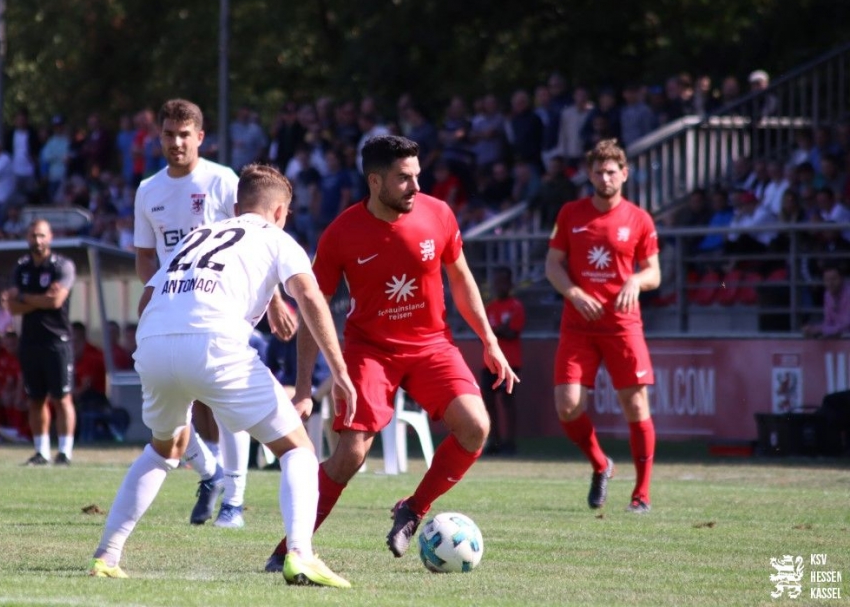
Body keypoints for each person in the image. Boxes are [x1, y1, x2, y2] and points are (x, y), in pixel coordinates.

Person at [89, 164, 357, 587]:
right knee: (297, 449)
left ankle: (107, 554)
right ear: (281, 212)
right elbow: (309, 295)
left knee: (164, 449)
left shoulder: (197, 235)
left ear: (235, 208)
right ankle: (301, 555)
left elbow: (147, 297)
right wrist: (339, 370)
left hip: (154, 341)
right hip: (214, 343)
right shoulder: (277, 238)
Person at [263, 135, 517, 571]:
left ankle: (413, 510)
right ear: (375, 181)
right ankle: (289, 550)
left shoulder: (438, 214)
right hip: (371, 352)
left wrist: (490, 341)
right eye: (404, 178)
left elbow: (461, 279)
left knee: (476, 426)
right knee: (350, 456)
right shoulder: (341, 233)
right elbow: (312, 308)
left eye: (417, 175)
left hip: (432, 346)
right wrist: (304, 388)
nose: (415, 186)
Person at [132, 98, 297, 528]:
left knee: (227, 402)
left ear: (200, 137)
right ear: (159, 137)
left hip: (224, 306)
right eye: (169, 134)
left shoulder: (222, 181)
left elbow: (255, 239)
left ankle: (234, 502)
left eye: (184, 135)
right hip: (174, 304)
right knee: (171, 405)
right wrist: (154, 293)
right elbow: (146, 255)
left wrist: (275, 301)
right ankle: (210, 472)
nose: (176, 142)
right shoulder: (148, 190)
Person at [544, 138, 660, 514]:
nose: (605, 178)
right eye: (598, 172)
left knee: (635, 405)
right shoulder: (571, 213)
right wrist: (574, 292)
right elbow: (552, 265)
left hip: (623, 326)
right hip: (578, 327)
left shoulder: (639, 219)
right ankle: (601, 464)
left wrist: (636, 280)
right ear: (589, 175)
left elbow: (654, 273)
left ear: (624, 174)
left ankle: (641, 495)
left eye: (611, 171)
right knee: (567, 406)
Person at [6, 219, 77, 466]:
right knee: (35, 399)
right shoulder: (21, 267)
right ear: (27, 237)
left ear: (51, 237)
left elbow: (55, 302)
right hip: (30, 341)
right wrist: (39, 300)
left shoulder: (62, 266)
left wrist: (24, 297)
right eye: (33, 235)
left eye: (42, 235)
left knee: (62, 398)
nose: (38, 240)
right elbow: (12, 307)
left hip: (57, 341)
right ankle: (41, 452)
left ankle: (65, 452)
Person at [482, 268, 524, 456]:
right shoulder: (489, 307)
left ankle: (510, 442)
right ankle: (495, 440)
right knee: (489, 401)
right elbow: (483, 334)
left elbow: (512, 332)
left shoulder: (516, 306)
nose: (499, 286)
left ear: (510, 284)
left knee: (508, 401)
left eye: (503, 282)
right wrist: (498, 330)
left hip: (510, 362)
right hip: (489, 363)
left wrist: (494, 332)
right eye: (497, 282)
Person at [802, 264, 850, 338]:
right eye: (827, 280)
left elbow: (847, 325)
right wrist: (814, 329)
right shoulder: (827, 295)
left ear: (842, 278)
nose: (830, 283)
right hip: (838, 338)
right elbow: (828, 322)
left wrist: (822, 330)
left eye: (834, 279)